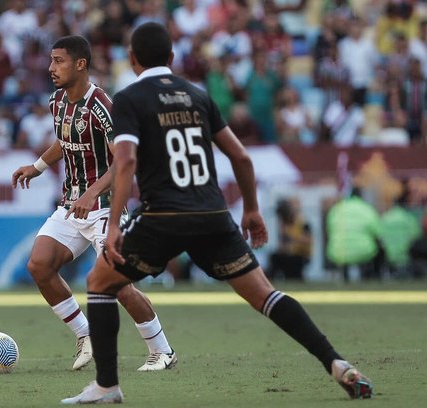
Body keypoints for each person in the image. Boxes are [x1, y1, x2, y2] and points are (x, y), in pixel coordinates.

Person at [61, 22, 373, 404]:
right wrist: (253, 210)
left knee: (99, 282)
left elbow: (124, 163)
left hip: (163, 217)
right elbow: (241, 156)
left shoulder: (130, 98)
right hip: (212, 214)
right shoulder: (197, 95)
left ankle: (107, 386)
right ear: (172, 58)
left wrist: (112, 226)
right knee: (266, 295)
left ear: (132, 58)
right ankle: (337, 363)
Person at [11, 35, 176, 372]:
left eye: (59, 61)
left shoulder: (102, 105)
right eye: (51, 60)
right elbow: (64, 140)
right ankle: (85, 335)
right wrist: (38, 167)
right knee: (39, 265)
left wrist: (91, 192)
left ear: (80, 64)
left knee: (116, 283)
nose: (51, 67)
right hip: (72, 204)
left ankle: (163, 350)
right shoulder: (57, 100)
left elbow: (124, 161)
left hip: (102, 206)